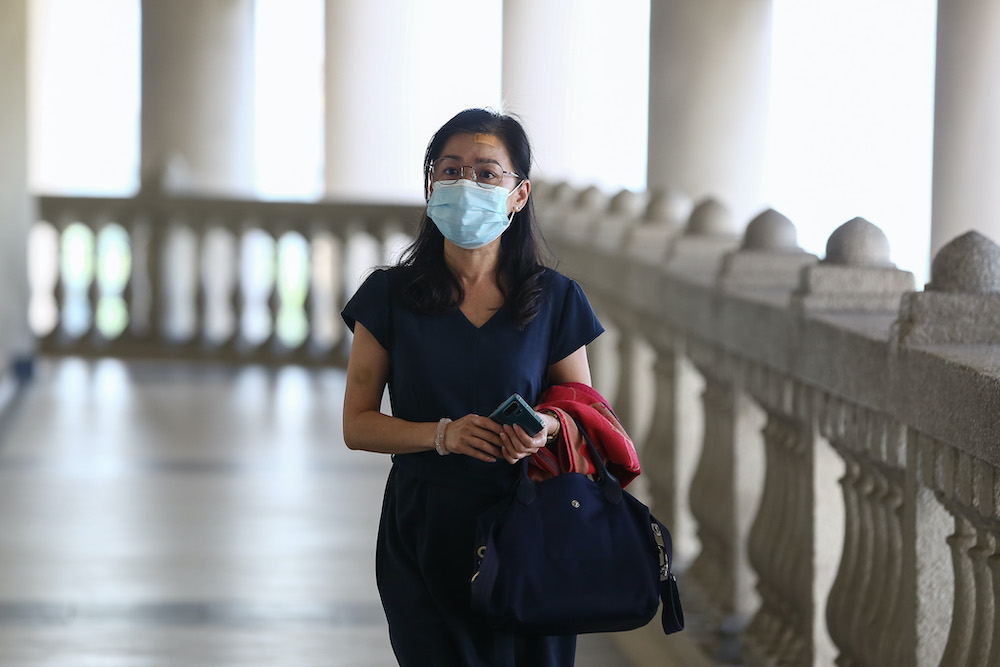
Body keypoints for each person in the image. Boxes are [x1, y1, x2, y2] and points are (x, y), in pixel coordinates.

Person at [341, 108, 604, 667]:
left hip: (531, 524)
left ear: (519, 193)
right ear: (431, 184)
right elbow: (357, 424)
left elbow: (584, 412)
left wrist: (542, 429)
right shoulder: (388, 296)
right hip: (425, 527)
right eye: (452, 170)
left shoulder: (555, 298)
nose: (467, 184)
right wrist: (443, 435)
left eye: (487, 173)